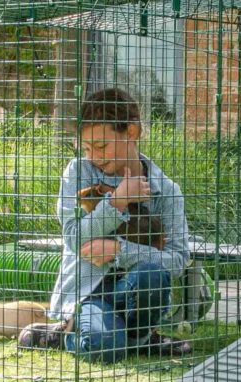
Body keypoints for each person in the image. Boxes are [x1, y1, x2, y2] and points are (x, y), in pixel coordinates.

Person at [18, 88, 192, 363]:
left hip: (135, 292)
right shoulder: (78, 172)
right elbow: (75, 238)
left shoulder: (168, 192)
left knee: (152, 274)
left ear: (132, 132)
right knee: (105, 347)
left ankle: (139, 336)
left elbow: (178, 259)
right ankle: (73, 330)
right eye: (86, 147)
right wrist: (117, 202)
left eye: (101, 146)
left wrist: (119, 250)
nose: (93, 156)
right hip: (89, 293)